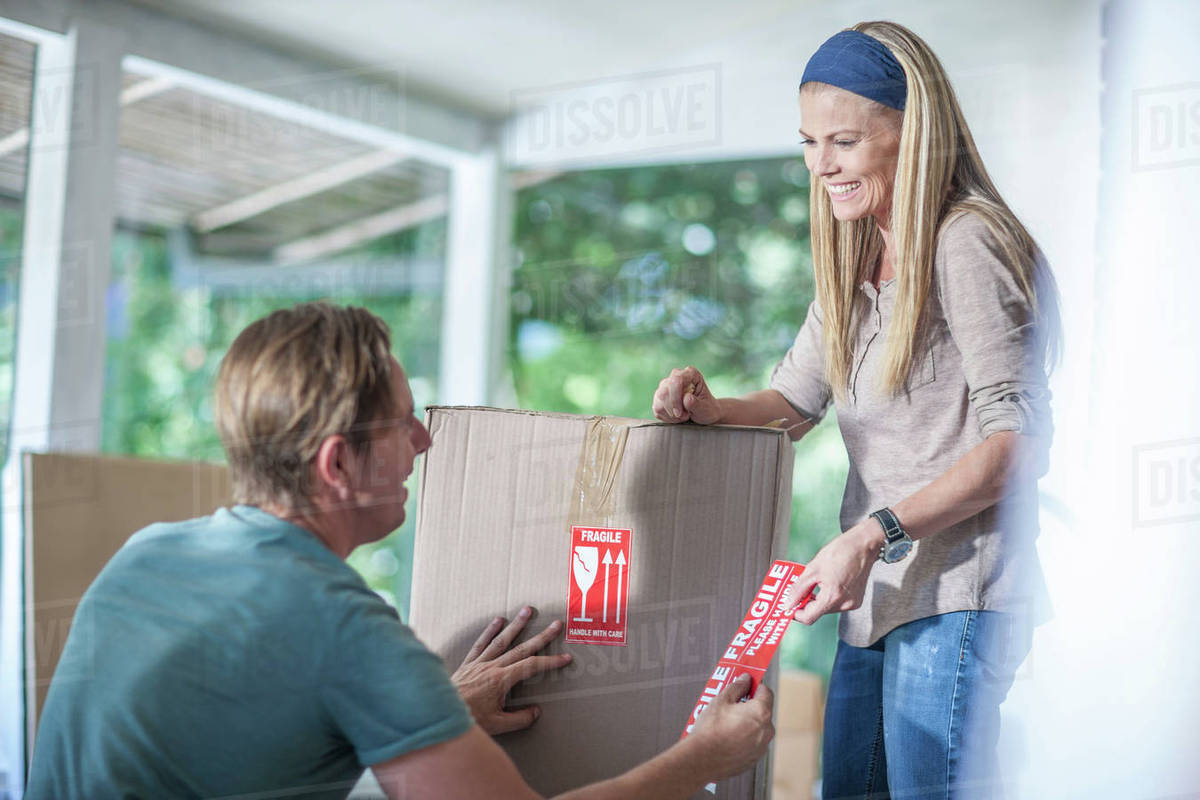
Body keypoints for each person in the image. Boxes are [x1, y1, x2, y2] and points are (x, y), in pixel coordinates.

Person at [28, 302, 774, 799]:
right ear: (337, 465)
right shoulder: (345, 629)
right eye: (401, 424)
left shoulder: (148, 553)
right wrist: (704, 758)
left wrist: (427, 711)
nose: (423, 440)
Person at [652, 20, 1060, 800]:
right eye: (808, 143)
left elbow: (1021, 444)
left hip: (955, 598)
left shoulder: (964, 243)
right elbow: (793, 402)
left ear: (912, 133)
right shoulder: (855, 257)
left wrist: (875, 535)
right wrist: (711, 408)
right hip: (875, 600)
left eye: (842, 141)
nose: (820, 165)